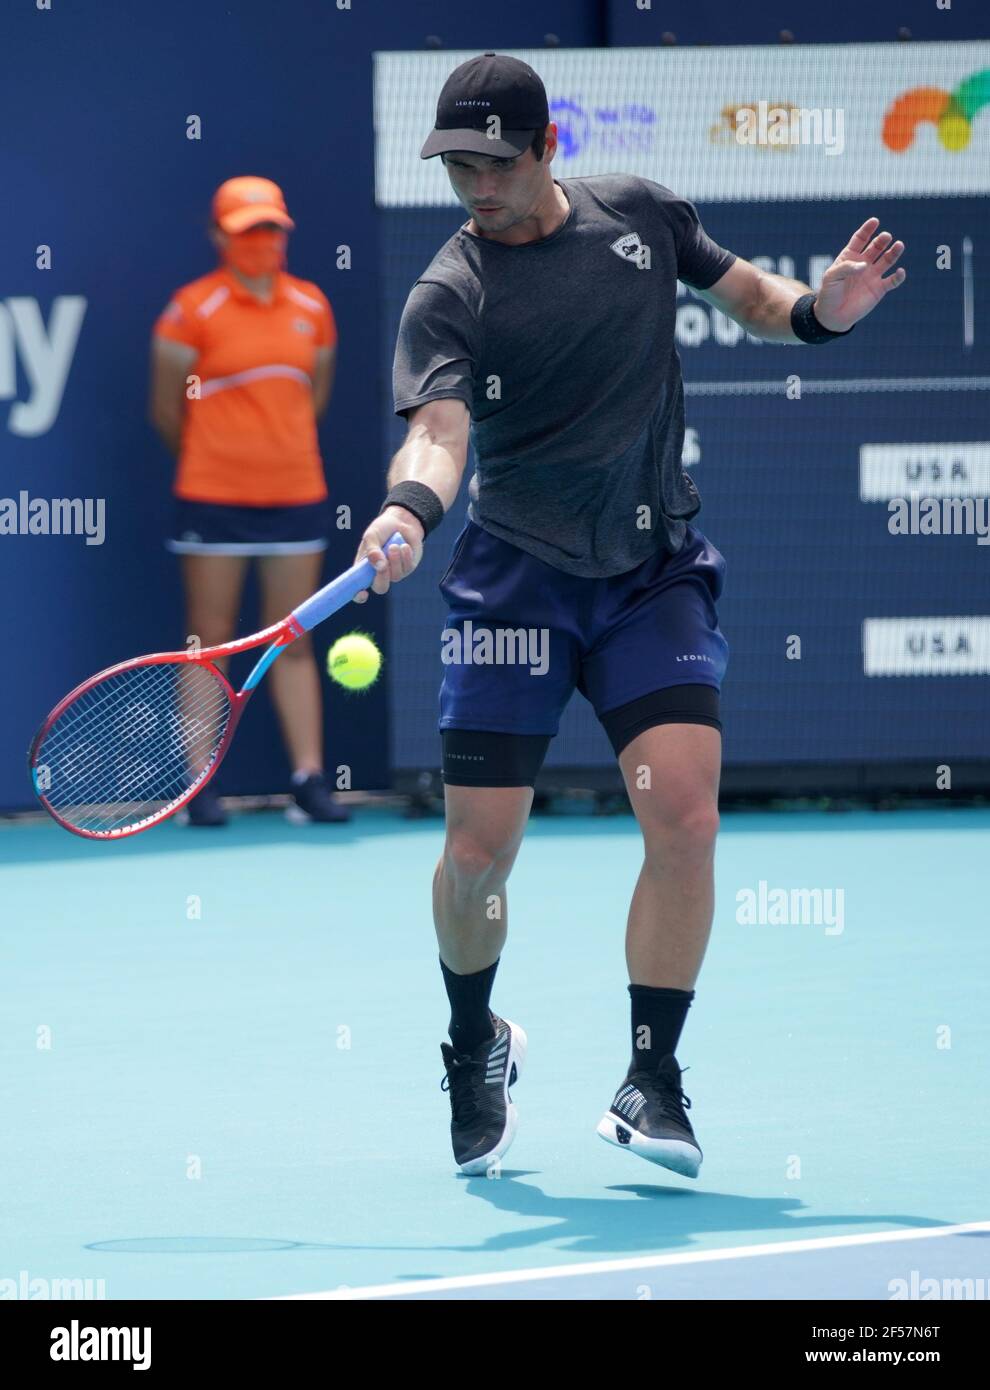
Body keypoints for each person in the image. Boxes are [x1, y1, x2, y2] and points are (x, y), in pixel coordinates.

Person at [354, 54, 906, 1176]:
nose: (473, 184)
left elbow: (752, 298)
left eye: (492, 162)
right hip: (516, 581)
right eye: (454, 163)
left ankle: (653, 1078)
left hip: (651, 574)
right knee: (475, 856)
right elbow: (442, 432)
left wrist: (821, 313)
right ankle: (474, 1042)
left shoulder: (642, 218)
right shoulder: (449, 290)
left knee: (686, 816)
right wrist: (409, 508)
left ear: (544, 147)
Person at [150, 176, 348, 825]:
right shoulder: (190, 310)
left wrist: (272, 448)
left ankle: (310, 780)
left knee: (293, 638)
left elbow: (312, 398)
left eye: (271, 229)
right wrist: (220, 459)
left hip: (296, 494)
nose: (262, 241)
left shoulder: (313, 307)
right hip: (213, 498)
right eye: (247, 231)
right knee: (208, 641)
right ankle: (197, 788)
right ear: (219, 237)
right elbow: (167, 409)